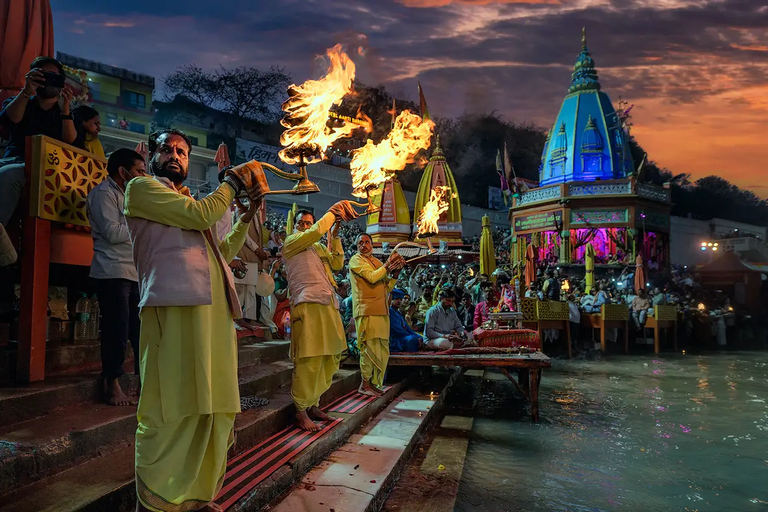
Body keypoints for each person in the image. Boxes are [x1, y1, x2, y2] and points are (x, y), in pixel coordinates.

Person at [124, 128, 266, 512]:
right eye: (168, 149)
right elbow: (201, 214)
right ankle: (155, 502)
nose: (175, 156)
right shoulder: (141, 188)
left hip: (213, 314)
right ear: (152, 155)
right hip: (171, 310)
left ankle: (194, 496)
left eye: (183, 152)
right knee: (169, 407)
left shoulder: (187, 200)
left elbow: (220, 253)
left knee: (212, 405)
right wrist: (233, 183)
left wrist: (245, 217)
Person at [283, 203, 358, 431]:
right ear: (294, 226)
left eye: (308, 223)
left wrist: (333, 235)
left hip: (328, 303)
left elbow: (337, 263)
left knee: (330, 357)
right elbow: (316, 231)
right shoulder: (291, 242)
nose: (305, 227)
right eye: (301, 223)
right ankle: (301, 411)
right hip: (307, 304)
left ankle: (314, 404)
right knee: (309, 360)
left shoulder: (318, 247)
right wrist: (331, 213)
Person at [0, 56, 81, 265]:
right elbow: (12, 119)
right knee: (10, 171)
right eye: (43, 75)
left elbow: (70, 141)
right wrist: (27, 90)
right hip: (11, 162)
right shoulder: (22, 101)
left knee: (10, 175)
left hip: (48, 173)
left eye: (54, 77)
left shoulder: (66, 113)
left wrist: (65, 110)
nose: (48, 81)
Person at [86, 148, 145, 406]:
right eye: (139, 172)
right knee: (116, 330)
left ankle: (145, 382)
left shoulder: (132, 195)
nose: (143, 177)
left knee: (141, 332)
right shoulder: (102, 194)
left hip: (135, 273)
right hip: (112, 271)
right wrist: (141, 224)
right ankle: (112, 384)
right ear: (123, 173)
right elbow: (111, 232)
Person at [348, 234, 403, 395]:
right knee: (368, 347)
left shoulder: (377, 262)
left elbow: (386, 288)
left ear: (372, 245)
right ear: (356, 245)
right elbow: (372, 278)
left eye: (366, 242)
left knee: (381, 348)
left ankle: (372, 382)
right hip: (366, 310)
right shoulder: (356, 260)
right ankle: (364, 384)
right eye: (360, 242)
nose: (363, 245)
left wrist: (396, 274)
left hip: (381, 311)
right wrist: (387, 265)